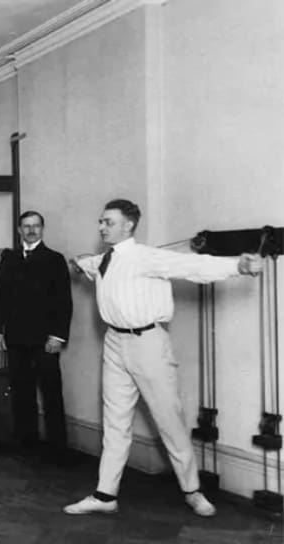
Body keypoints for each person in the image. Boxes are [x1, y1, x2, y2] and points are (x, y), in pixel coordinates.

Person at [64, 199, 263, 517]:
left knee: (169, 421)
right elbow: (89, 264)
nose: (101, 227)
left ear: (128, 225)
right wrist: (78, 262)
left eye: (108, 222)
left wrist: (237, 266)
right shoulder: (105, 259)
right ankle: (105, 495)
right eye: (101, 222)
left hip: (149, 344)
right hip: (114, 343)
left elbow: (192, 267)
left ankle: (193, 491)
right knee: (115, 423)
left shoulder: (147, 257)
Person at [0, 211, 73, 463]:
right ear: (19, 230)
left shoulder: (55, 259)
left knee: (51, 392)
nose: (31, 230)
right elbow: (0, 298)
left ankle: (57, 448)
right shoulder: (10, 259)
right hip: (15, 338)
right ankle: (26, 441)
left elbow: (63, 302)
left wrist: (57, 336)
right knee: (22, 392)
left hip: (45, 339)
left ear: (42, 229)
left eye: (36, 226)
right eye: (26, 226)